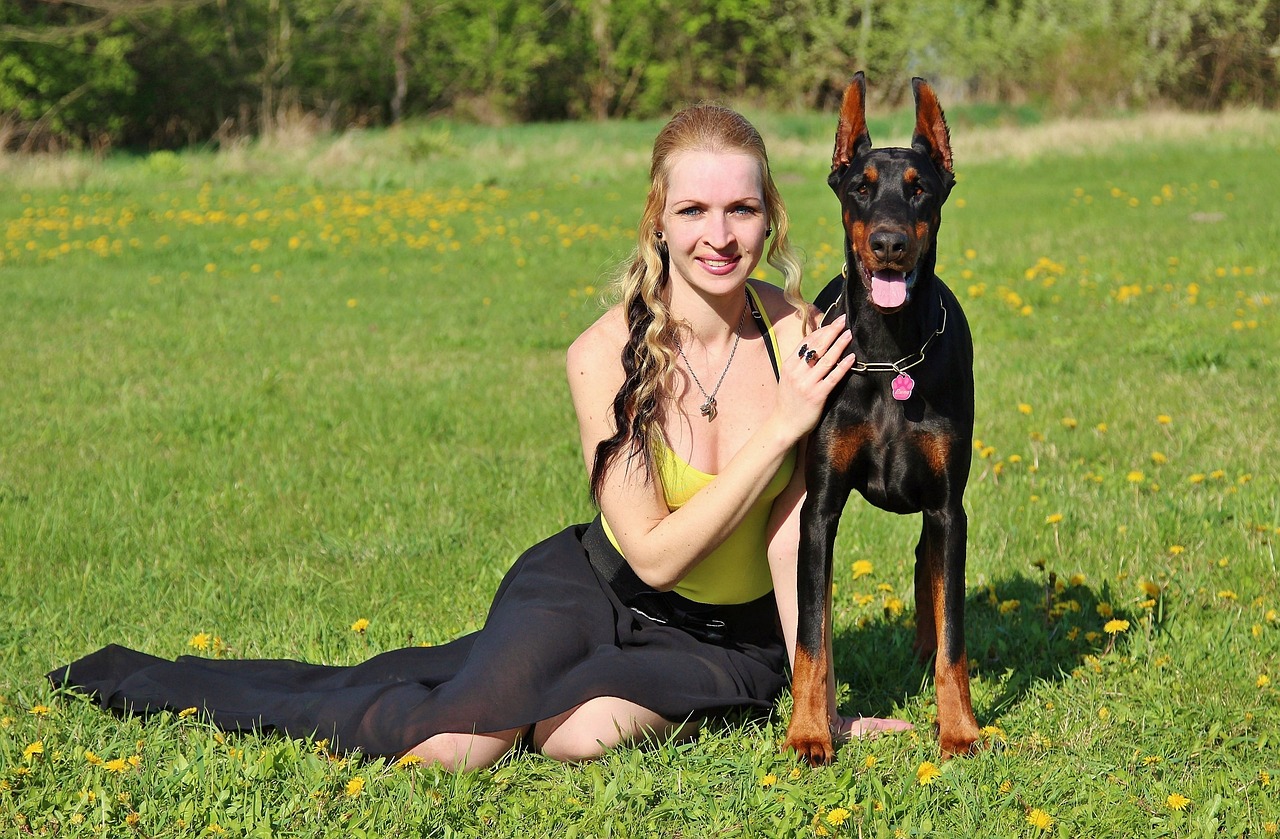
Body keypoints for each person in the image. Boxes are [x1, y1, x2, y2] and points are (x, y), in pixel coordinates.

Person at [48, 104, 910, 772]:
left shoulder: (805, 334)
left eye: (741, 209)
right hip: (592, 588)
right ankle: (178, 686)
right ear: (658, 217)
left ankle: (536, 694)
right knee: (457, 742)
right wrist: (785, 424)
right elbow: (650, 557)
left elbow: (800, 522)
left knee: (582, 735)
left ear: (771, 216)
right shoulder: (602, 353)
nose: (719, 237)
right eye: (693, 209)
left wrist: (817, 699)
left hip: (728, 638)